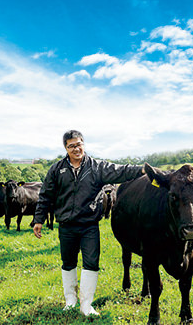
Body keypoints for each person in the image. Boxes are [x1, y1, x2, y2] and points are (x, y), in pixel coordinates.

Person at [33, 130, 144, 317]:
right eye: (72, 146)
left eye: (79, 144)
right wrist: (38, 220)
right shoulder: (56, 169)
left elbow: (121, 171)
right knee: (68, 262)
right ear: (65, 148)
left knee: (91, 263)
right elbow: (46, 195)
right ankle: (70, 301)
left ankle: (86, 305)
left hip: (89, 225)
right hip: (66, 225)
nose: (76, 148)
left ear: (83, 144)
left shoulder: (97, 167)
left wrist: (143, 170)